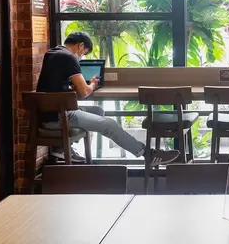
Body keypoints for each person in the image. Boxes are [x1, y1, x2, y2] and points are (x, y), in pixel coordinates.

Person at [36, 31, 179, 165]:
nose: (82, 57)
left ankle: (60, 149)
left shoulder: (51, 53)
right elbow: (84, 92)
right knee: (109, 124)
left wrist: (70, 87)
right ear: (80, 45)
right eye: (84, 53)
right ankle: (148, 154)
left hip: (45, 114)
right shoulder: (69, 57)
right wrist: (92, 84)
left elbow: (53, 84)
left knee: (97, 111)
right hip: (59, 116)